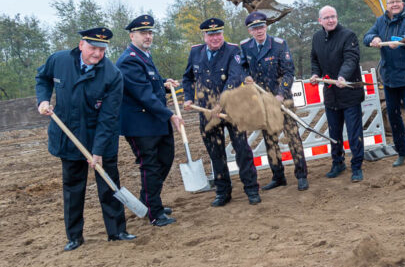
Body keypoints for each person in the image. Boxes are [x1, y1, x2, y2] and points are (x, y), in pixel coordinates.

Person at [35, 27, 136, 251]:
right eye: (92, 48)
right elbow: (42, 78)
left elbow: (109, 117)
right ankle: (74, 237)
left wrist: (97, 151)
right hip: (68, 136)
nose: (97, 54)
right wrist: (42, 100)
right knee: (72, 188)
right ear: (81, 45)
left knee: (109, 185)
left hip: (102, 136)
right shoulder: (58, 60)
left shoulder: (112, 74)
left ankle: (117, 231)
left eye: (102, 49)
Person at [181, 18, 261, 206]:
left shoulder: (233, 51)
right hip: (207, 112)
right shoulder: (195, 52)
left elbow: (235, 77)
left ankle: (251, 189)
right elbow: (188, 78)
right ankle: (223, 192)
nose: (216, 38)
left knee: (242, 150)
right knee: (215, 153)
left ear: (222, 34)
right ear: (205, 36)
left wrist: (221, 104)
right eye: (211, 35)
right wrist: (188, 97)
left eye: (218, 33)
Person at [115, 15, 181, 227]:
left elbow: (150, 83)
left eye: (150, 32)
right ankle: (154, 212)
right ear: (132, 35)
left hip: (154, 121)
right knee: (151, 166)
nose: (148, 36)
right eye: (143, 33)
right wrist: (170, 115)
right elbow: (144, 95)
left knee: (165, 159)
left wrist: (164, 83)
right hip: (141, 125)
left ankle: (148, 200)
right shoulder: (129, 60)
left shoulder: (143, 56)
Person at [240, 12, 309, 191]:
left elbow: (288, 72)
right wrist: (245, 77)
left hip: (282, 99)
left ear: (266, 27)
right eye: (255, 28)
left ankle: (301, 175)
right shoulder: (245, 47)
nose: (259, 31)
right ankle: (278, 176)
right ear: (250, 31)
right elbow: (242, 68)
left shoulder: (279, 45)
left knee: (293, 136)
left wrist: (280, 94)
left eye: (261, 27)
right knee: (270, 139)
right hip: (262, 102)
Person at [363, 0, 405, 169]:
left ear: (402, 3)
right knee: (393, 116)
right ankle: (402, 152)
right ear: (387, 5)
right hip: (389, 77)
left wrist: (398, 41)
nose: (394, 4)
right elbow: (367, 37)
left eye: (397, 1)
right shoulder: (381, 21)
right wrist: (373, 39)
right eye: (391, 2)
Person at [309, 6, 365, 182]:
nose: (330, 20)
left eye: (333, 16)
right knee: (334, 132)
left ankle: (356, 166)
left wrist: (343, 76)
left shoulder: (348, 36)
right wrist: (315, 74)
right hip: (330, 93)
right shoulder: (317, 38)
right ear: (320, 21)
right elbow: (315, 59)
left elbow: (351, 58)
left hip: (349, 92)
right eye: (326, 18)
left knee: (354, 132)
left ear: (337, 17)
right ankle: (338, 162)